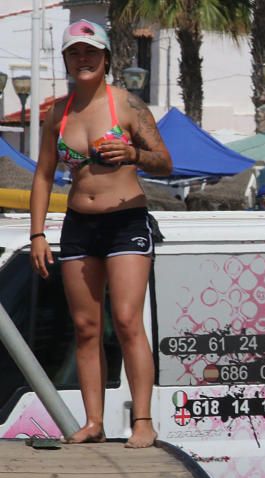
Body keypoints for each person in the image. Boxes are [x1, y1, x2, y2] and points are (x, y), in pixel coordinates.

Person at [29, 19, 173, 448]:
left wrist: (132, 153)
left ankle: (143, 420)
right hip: (79, 225)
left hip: (126, 220)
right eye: (75, 52)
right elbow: (42, 176)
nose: (84, 59)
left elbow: (165, 162)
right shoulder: (58, 112)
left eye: (91, 52)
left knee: (127, 320)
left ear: (106, 58)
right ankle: (93, 422)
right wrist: (37, 234)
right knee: (86, 326)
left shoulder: (127, 105)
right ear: (67, 60)